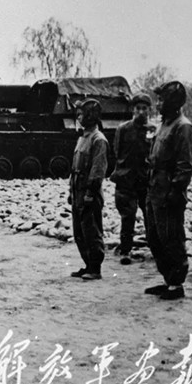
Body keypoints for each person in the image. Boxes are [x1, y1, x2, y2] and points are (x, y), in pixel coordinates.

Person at [144, 81, 192, 300]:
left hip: (168, 191)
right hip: (155, 188)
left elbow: (185, 165)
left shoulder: (183, 127)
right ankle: (168, 279)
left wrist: (175, 191)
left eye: (161, 100)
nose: (158, 104)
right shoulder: (165, 124)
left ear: (173, 102)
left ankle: (177, 284)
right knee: (154, 237)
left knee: (171, 237)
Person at [110, 93, 156, 265]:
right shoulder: (123, 129)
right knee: (127, 216)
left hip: (145, 180)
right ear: (133, 109)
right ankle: (126, 250)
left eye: (144, 108)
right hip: (126, 178)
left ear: (149, 110)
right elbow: (117, 151)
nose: (141, 112)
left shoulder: (152, 130)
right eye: (138, 108)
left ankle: (155, 249)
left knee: (150, 215)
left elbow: (154, 153)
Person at [68, 99, 108, 281]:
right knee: (80, 231)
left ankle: (95, 267)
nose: (78, 117)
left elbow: (97, 170)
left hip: (88, 192)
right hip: (78, 191)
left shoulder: (98, 140)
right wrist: (71, 192)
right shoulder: (83, 138)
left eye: (81, 114)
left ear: (91, 116)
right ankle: (88, 265)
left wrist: (90, 193)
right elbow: (74, 168)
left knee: (91, 231)